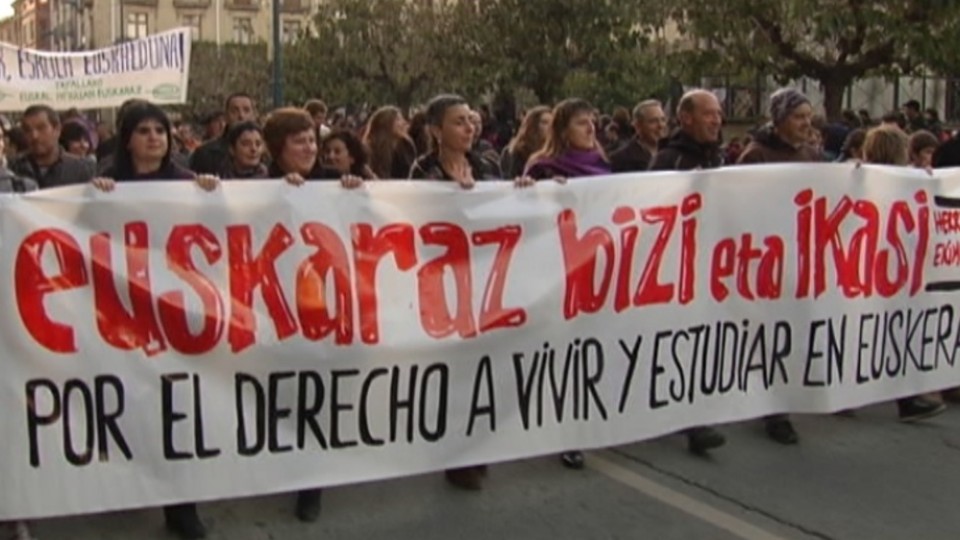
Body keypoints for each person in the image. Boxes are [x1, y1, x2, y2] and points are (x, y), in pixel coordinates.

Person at [90, 102, 218, 540]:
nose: (153, 138)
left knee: (178, 408)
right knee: (135, 405)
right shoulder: (107, 184)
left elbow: (225, 230)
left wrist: (211, 194)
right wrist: (96, 198)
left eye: (160, 131)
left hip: (178, 313)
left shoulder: (187, 184)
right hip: (124, 315)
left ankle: (182, 507)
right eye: (143, 131)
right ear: (128, 139)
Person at [410, 95, 537, 490]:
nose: (469, 128)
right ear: (435, 131)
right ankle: (456, 455)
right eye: (457, 122)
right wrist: (455, 200)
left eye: (470, 121)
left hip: (485, 283)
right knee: (455, 370)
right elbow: (417, 221)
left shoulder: (488, 164)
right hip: (443, 286)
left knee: (485, 365)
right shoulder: (423, 171)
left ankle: (478, 447)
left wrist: (523, 190)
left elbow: (503, 211)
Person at [261, 107, 364, 521]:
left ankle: (311, 484)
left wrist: (354, 190)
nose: (309, 148)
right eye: (299, 140)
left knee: (318, 395)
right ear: (278, 148)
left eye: (311, 140)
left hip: (323, 309)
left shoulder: (332, 184)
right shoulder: (256, 185)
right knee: (285, 392)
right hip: (275, 311)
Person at [645, 90, 728, 455]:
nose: (716, 120)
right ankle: (691, 420)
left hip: (713, 265)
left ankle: (694, 413)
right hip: (674, 269)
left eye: (719, 114)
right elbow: (649, 210)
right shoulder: (668, 159)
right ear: (687, 118)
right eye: (708, 114)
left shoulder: (720, 157)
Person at [10, 104, 95, 188]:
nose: (34, 136)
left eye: (41, 128)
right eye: (27, 130)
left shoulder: (81, 169)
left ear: (57, 129)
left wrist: (103, 186)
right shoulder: (12, 168)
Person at [738, 89, 820, 165]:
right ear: (780, 120)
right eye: (798, 117)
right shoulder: (756, 156)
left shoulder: (812, 155)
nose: (807, 123)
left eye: (809, 116)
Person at [190, 93, 258, 174]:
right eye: (234, 111)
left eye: (246, 110)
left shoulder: (264, 153)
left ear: (254, 115)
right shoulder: (205, 153)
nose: (241, 116)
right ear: (226, 116)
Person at [610, 99, 668, 172]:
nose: (661, 125)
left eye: (663, 120)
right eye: (653, 121)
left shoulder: (674, 153)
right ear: (638, 126)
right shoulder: (622, 159)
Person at [362, 106, 416, 179]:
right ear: (386, 123)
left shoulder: (407, 146)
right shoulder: (369, 150)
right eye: (398, 119)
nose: (404, 122)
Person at [500, 105, 551, 178]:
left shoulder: (554, 151)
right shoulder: (518, 151)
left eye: (552, 123)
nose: (549, 127)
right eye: (544, 122)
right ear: (533, 125)